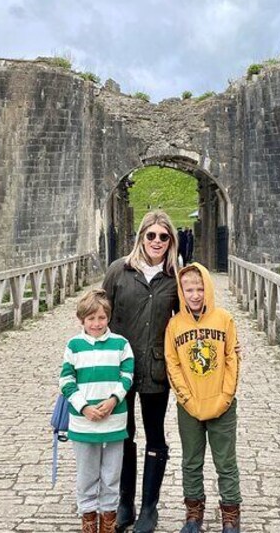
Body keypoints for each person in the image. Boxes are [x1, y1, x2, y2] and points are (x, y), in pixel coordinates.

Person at [103, 210, 180, 533]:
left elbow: (187, 321)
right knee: (123, 434)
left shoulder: (175, 276)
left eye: (164, 237)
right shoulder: (119, 271)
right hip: (120, 368)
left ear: (171, 241)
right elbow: (100, 312)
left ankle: (149, 507)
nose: (157, 242)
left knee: (155, 435)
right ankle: (124, 502)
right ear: (142, 237)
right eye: (152, 235)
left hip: (155, 368)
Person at [164, 263, 241, 533]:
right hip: (190, 404)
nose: (195, 295)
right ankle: (193, 512)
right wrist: (186, 398)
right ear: (181, 293)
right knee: (191, 461)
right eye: (189, 290)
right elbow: (172, 363)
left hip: (222, 403)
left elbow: (232, 358)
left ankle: (230, 513)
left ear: (208, 288)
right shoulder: (175, 325)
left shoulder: (224, 319)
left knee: (226, 461)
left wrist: (226, 396)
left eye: (200, 288)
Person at [59, 289, 135, 533]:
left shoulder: (121, 344)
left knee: (111, 475)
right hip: (84, 422)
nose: (96, 323)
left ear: (108, 318)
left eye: (101, 318)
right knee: (87, 475)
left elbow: (127, 376)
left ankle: (108, 523)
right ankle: (89, 521)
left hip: (114, 420)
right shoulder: (74, 345)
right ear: (82, 320)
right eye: (91, 319)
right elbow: (66, 381)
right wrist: (84, 407)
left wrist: (114, 399)